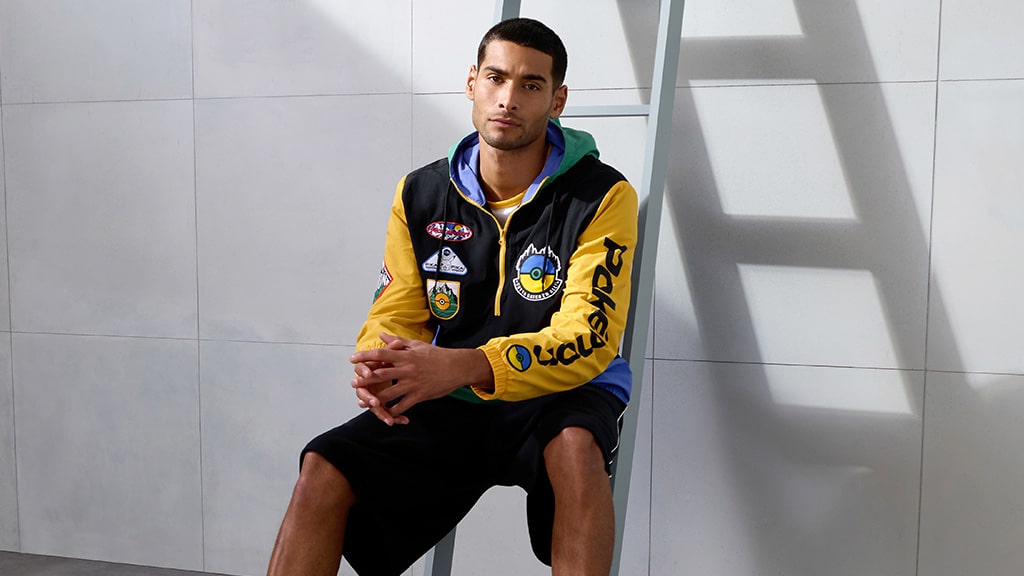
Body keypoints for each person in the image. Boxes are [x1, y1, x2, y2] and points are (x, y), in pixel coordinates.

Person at [267, 17, 638, 576]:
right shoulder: (420, 191)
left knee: (574, 449)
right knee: (323, 465)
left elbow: (588, 339)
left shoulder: (603, 195)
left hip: (562, 391)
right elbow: (396, 311)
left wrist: (466, 365)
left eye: (531, 84)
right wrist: (382, 364)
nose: (508, 98)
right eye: (496, 78)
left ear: (557, 101)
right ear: (472, 83)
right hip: (450, 394)